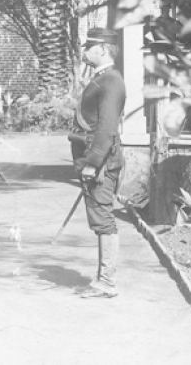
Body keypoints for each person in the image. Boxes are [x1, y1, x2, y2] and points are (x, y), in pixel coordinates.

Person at [71, 27, 125, 299]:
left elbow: (106, 128)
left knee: (103, 218)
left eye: (88, 47)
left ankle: (107, 282)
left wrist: (92, 162)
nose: (84, 52)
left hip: (101, 162)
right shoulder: (103, 78)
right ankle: (103, 278)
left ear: (102, 49)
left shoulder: (112, 80)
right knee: (98, 216)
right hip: (94, 159)